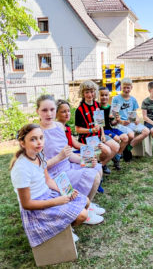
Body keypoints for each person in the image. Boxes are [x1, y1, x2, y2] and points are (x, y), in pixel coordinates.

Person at [10, 124, 89, 246]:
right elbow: (27, 204)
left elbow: (48, 180)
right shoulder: (21, 168)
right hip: (36, 207)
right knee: (82, 215)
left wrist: (66, 191)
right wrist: (57, 201)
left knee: (86, 201)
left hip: (48, 194)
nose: (39, 142)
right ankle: (61, 231)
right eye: (33, 139)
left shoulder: (39, 155)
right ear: (22, 142)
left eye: (41, 137)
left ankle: (63, 227)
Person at [36, 94, 104, 224]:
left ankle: (87, 205)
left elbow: (68, 154)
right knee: (94, 176)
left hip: (67, 165)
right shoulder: (37, 133)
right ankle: (83, 210)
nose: (49, 113)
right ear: (37, 111)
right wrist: (59, 157)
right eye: (44, 110)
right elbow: (38, 167)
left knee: (96, 167)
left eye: (52, 109)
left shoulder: (59, 127)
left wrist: (86, 159)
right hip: (53, 174)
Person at [75, 81, 119, 173]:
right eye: (87, 92)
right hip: (87, 138)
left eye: (92, 91)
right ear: (82, 93)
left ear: (95, 92)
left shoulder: (96, 105)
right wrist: (91, 130)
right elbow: (77, 129)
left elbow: (99, 122)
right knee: (107, 151)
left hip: (99, 135)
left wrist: (102, 134)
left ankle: (100, 166)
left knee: (115, 147)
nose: (90, 94)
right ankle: (95, 169)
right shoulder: (79, 110)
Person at [112, 78, 150, 161]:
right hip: (120, 124)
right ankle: (125, 152)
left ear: (131, 87)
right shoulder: (116, 99)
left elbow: (134, 112)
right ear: (121, 87)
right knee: (131, 135)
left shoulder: (133, 99)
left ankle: (128, 147)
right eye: (124, 87)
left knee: (146, 131)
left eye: (128, 87)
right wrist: (121, 121)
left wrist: (137, 119)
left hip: (131, 123)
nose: (126, 89)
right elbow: (115, 114)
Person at [99, 86, 129, 170]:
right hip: (103, 130)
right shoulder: (97, 107)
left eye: (106, 95)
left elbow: (112, 123)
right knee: (117, 138)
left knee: (125, 138)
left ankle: (117, 157)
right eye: (102, 95)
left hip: (110, 128)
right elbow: (99, 123)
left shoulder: (111, 108)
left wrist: (117, 120)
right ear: (98, 96)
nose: (104, 97)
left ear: (109, 96)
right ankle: (110, 158)